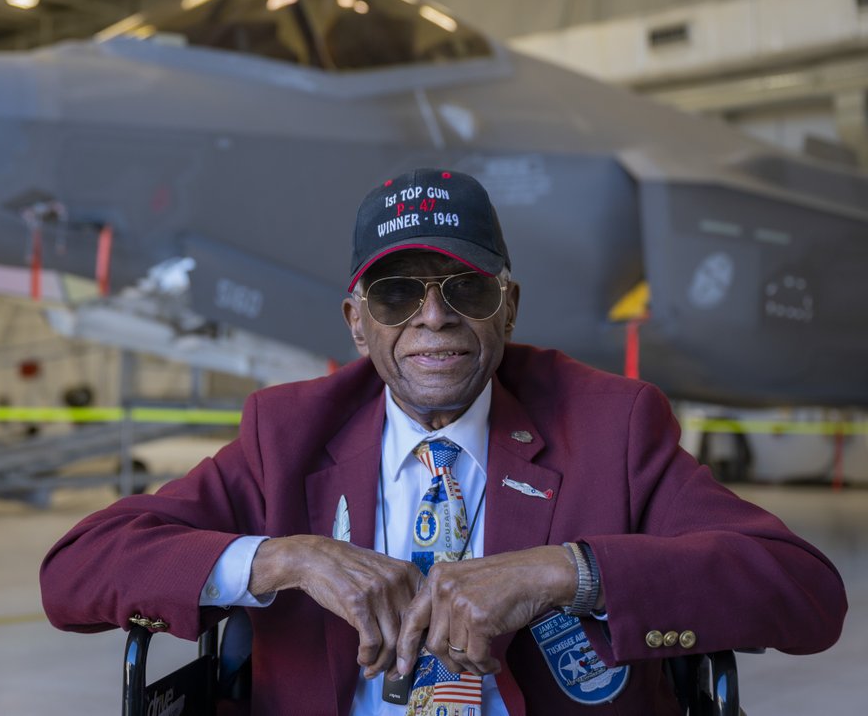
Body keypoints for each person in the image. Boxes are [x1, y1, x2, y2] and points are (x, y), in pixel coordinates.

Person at [41, 168, 846, 715]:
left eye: (465, 287)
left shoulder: (613, 424)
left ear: (508, 306)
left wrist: (565, 571)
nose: (433, 318)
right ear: (357, 325)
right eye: (397, 294)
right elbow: (76, 570)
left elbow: (803, 592)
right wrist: (286, 558)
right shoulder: (286, 434)